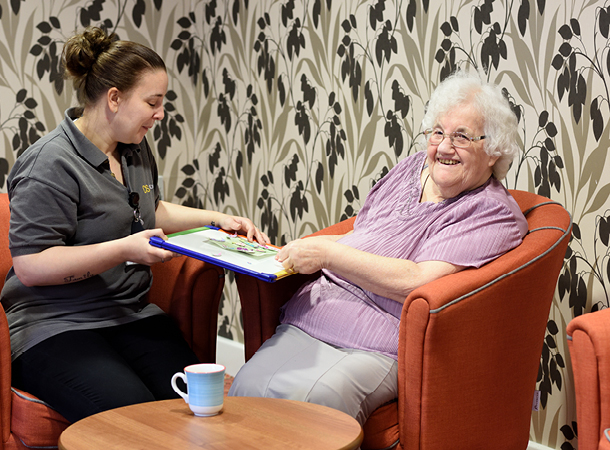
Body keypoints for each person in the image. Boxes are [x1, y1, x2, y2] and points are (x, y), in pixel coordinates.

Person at [228, 70, 529, 426]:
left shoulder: (490, 212)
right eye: (437, 132)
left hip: (379, 340)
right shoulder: (410, 169)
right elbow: (363, 234)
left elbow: (418, 280)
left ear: (493, 151)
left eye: (461, 137)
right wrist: (302, 248)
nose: (444, 148)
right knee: (246, 387)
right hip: (315, 315)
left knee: (317, 405)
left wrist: (326, 254)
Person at [1, 26, 269, 423]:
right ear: (114, 99)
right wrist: (125, 249)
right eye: (153, 102)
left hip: (128, 314)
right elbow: (31, 266)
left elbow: (148, 210)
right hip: (53, 324)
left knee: (198, 407)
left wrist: (218, 219)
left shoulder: (133, 147)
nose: (160, 114)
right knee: (134, 423)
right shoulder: (49, 164)